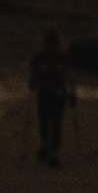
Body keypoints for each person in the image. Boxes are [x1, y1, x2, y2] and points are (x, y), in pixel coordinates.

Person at [27, 30, 73, 166]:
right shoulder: (39, 57)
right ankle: (46, 145)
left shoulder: (63, 58)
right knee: (44, 122)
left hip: (58, 93)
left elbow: (69, 76)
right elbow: (33, 72)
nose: (51, 45)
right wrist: (32, 82)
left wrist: (72, 92)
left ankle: (52, 152)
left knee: (56, 123)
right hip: (44, 92)